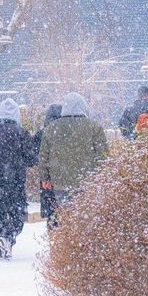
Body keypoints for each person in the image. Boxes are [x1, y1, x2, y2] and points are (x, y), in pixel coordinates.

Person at [0, 98, 37, 260]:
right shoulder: (21, 133)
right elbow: (32, 159)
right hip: (15, 182)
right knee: (18, 212)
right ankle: (8, 235)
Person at [39, 92, 108, 226]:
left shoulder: (51, 128)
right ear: (84, 107)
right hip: (88, 182)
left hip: (60, 182)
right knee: (86, 219)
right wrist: (102, 178)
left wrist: (45, 178)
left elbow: (43, 157)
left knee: (66, 216)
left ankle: (68, 240)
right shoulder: (94, 127)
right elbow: (103, 156)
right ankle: (80, 243)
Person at [33, 104, 62, 223]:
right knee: (64, 209)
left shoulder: (41, 133)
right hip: (63, 176)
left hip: (46, 179)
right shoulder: (65, 132)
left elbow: (34, 153)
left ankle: (53, 236)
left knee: (51, 212)